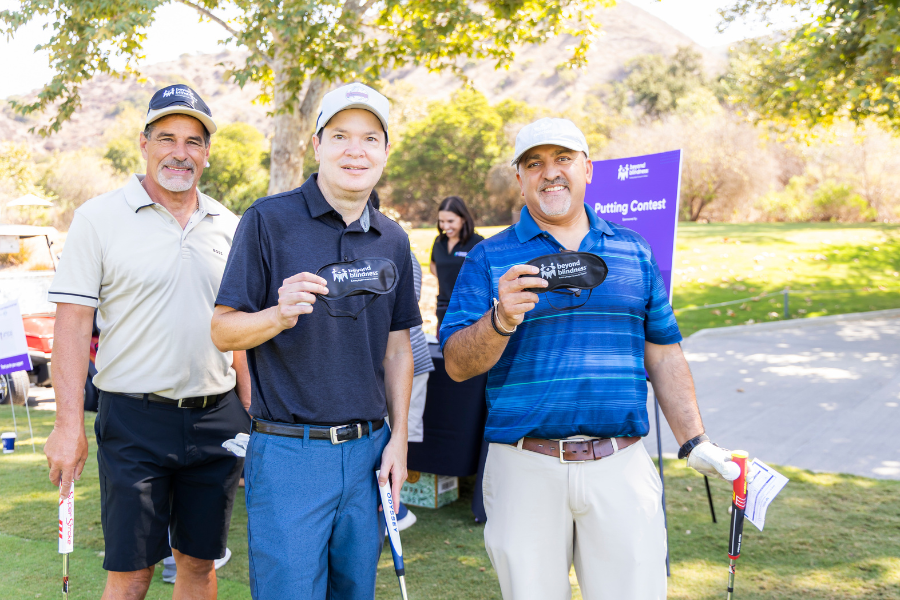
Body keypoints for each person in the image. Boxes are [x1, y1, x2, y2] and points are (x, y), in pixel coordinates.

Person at [440, 117, 739, 600]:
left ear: (587, 169)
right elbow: (456, 363)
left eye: (563, 159)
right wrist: (499, 319)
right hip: (524, 468)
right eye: (534, 163)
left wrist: (694, 441)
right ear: (519, 178)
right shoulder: (489, 258)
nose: (550, 172)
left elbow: (662, 353)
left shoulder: (633, 251)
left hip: (621, 465)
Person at [209, 82, 421, 599]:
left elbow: (398, 348)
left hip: (369, 450)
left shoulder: (393, 238)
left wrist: (397, 438)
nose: (356, 150)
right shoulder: (267, 220)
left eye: (371, 138)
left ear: (386, 151)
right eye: (342, 136)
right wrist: (277, 316)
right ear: (316, 144)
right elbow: (221, 328)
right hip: (289, 456)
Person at [44, 84, 251, 600]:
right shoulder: (97, 218)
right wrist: (67, 425)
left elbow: (242, 329)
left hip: (216, 419)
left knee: (199, 567)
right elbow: (71, 326)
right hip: (133, 419)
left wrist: (251, 412)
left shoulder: (232, 225)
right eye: (167, 138)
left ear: (207, 152)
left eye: (193, 141)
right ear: (143, 143)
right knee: (131, 575)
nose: (180, 152)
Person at [371, 190, 433, 531]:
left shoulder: (400, 249)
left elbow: (400, 311)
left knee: (397, 434)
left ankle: (397, 508)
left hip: (408, 361)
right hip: (376, 365)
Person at [430, 196, 484, 329]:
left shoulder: (477, 242)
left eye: (450, 221)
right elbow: (433, 265)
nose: (445, 226)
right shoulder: (438, 242)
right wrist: (447, 278)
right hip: (443, 307)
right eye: (441, 221)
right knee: (443, 348)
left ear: (463, 218)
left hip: (469, 309)